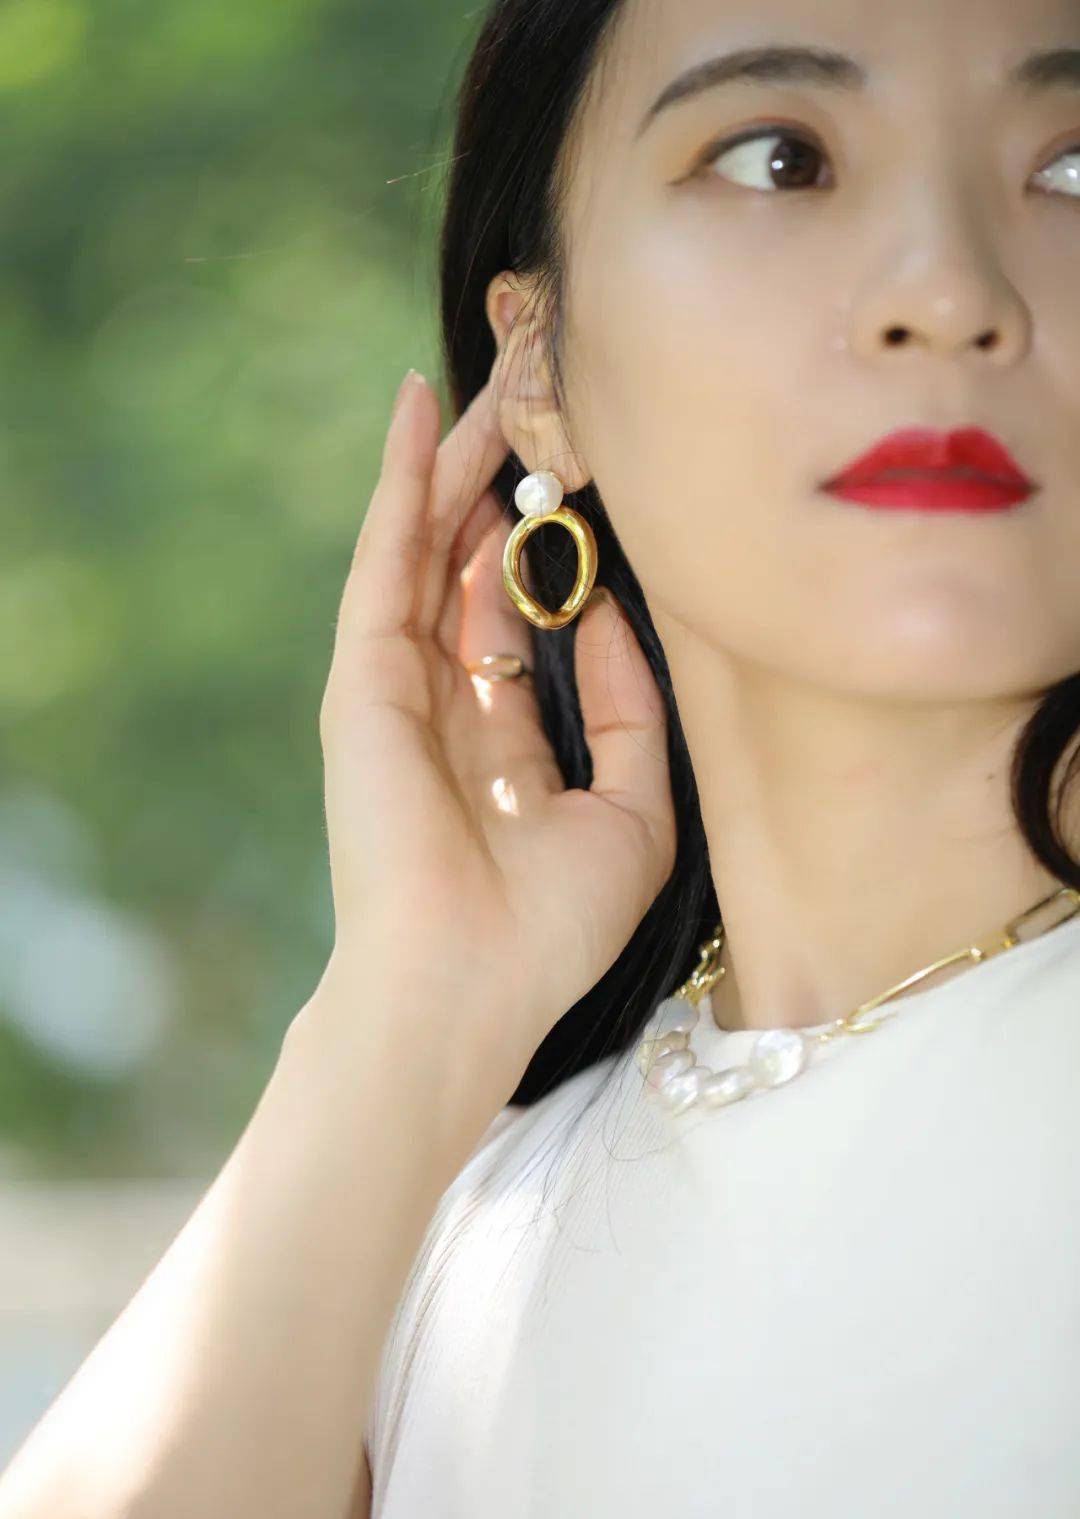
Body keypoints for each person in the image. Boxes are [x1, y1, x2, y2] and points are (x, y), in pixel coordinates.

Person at [4, 0, 1080, 1513]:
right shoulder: (441, 1240)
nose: (951, 293)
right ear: (539, 370)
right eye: (780, 158)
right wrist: (411, 1002)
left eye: (1074, 168)